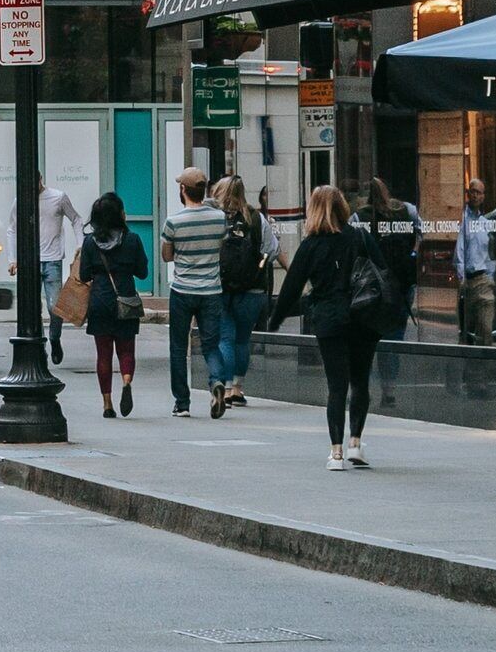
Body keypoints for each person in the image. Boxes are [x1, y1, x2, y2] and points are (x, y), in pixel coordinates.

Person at [273, 183, 406, 468]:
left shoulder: (310, 245)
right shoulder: (359, 236)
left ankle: (336, 453)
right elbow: (382, 270)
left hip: (330, 320)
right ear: (342, 207)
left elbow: (292, 286)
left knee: (336, 387)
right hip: (363, 319)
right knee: (360, 382)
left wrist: (275, 318)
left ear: (313, 210)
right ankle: (355, 443)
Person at [159, 170, 229, 418]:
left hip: (182, 290)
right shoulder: (219, 218)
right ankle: (217, 381)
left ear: (183, 190)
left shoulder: (173, 221)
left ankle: (182, 403)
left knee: (178, 347)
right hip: (211, 290)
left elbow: (167, 256)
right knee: (211, 345)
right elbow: (221, 247)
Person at [74, 194, 148, 419]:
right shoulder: (132, 239)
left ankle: (107, 403)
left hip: (100, 301)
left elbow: (83, 275)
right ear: (119, 215)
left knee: (103, 354)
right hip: (125, 300)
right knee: (126, 350)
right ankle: (126, 381)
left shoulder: (90, 243)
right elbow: (143, 272)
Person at [209, 176, 268, 415]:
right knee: (242, 340)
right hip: (252, 290)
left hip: (221, 287)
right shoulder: (256, 218)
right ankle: (237, 389)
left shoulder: (213, 217)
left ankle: (222, 388)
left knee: (225, 339)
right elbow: (271, 249)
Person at [32, 174, 78, 367]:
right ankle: (39, 346)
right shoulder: (22, 199)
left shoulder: (58, 197)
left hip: (52, 259)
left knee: (54, 307)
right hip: (31, 261)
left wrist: (80, 244)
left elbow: (76, 218)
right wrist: (13, 258)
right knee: (33, 309)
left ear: (40, 179)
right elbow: (12, 228)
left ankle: (54, 338)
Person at [455, 177, 496, 343]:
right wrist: (461, 279)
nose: (475, 195)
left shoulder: (485, 224)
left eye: (479, 192)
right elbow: (459, 251)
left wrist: (491, 277)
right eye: (472, 191)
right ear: (468, 194)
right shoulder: (462, 219)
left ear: (483, 197)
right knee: (466, 333)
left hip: (483, 281)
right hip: (467, 281)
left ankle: (485, 357)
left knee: (486, 330)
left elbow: (490, 254)